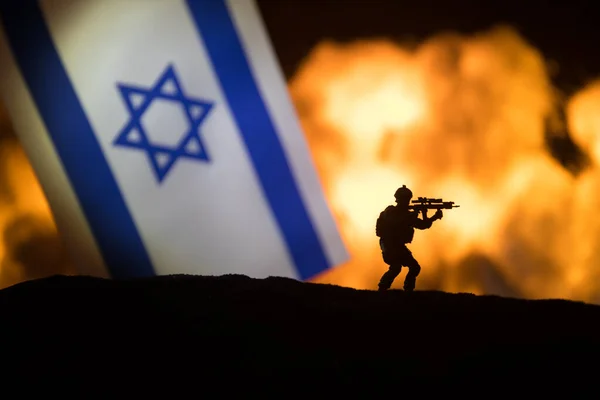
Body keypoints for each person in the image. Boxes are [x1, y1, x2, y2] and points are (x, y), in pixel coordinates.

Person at [376, 185, 443, 292]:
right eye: (404, 199)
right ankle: (382, 288)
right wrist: (414, 214)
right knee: (396, 267)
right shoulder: (390, 211)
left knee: (415, 267)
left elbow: (422, 225)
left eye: (407, 200)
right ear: (398, 199)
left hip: (399, 246)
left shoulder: (408, 214)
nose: (406, 202)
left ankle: (408, 290)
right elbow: (396, 222)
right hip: (388, 244)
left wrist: (433, 216)